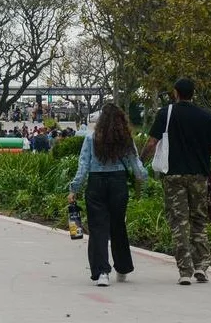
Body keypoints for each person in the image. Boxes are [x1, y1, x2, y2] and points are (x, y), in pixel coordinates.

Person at [142, 78, 211, 286]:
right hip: (198, 176)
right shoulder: (205, 116)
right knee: (199, 220)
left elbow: (152, 143)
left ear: (175, 92)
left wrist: (139, 161)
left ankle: (184, 271)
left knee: (179, 222)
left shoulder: (165, 114)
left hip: (174, 176)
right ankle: (202, 267)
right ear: (193, 93)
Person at [68, 103, 147, 287]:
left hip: (96, 183)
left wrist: (74, 189)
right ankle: (122, 268)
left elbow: (83, 166)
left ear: (101, 120)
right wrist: (143, 176)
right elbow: (135, 164)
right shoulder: (125, 139)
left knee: (98, 227)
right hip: (118, 183)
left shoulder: (90, 138)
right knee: (118, 225)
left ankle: (102, 272)